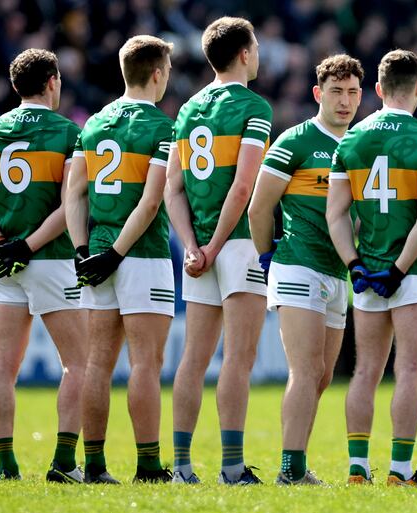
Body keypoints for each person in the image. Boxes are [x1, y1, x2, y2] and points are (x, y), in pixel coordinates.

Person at [326, 49, 417, 488]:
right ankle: (398, 471)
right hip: (412, 271)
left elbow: (336, 215)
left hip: (367, 269)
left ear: (377, 89)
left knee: (365, 371)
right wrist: (398, 268)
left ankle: (358, 466)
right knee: (410, 371)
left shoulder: (349, 141)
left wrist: (355, 264)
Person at [0, 48, 87, 482]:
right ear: (52, 82)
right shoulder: (68, 132)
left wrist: (0, 242)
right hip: (50, 259)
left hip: (1, 264)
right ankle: (64, 462)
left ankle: (8, 464)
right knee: (79, 363)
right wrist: (29, 246)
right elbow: (70, 204)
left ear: (15, 86)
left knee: (3, 368)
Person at [248, 54, 364, 485]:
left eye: (352, 92)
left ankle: (298, 463)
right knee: (305, 370)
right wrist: (266, 257)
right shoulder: (295, 141)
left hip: (339, 273)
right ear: (318, 94)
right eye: (336, 91)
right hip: (298, 265)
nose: (345, 101)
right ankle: (290, 468)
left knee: (323, 375)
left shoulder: (359, 146)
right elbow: (260, 208)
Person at [165, 16, 271, 485]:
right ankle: (231, 466)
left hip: (198, 248)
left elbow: (173, 189)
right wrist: (215, 245)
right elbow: (245, 184)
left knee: (193, 358)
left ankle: (182, 467)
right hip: (238, 244)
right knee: (238, 359)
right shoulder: (254, 106)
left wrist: (191, 246)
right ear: (244, 54)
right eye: (257, 47)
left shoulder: (187, 108)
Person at [66, 35, 175, 484]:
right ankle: (148, 466)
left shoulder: (92, 123)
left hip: (95, 253)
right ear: (157, 73)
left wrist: (82, 250)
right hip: (140, 254)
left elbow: (73, 194)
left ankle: (93, 465)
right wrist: (116, 254)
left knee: (97, 362)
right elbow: (150, 204)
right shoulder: (161, 127)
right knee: (145, 363)